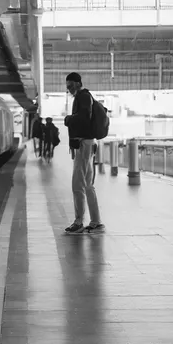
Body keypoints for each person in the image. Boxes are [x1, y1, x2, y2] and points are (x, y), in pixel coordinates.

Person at [63, 72, 104, 234]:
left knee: (77, 184)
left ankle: (79, 221)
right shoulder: (83, 97)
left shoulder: (83, 97)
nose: (69, 89)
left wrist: (68, 119)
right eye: (67, 87)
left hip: (84, 144)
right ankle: (95, 221)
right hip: (86, 143)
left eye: (71, 86)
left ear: (78, 83)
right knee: (87, 185)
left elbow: (83, 117)